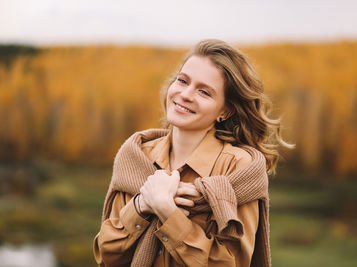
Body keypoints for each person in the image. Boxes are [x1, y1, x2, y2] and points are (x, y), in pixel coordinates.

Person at [93, 39, 292, 267]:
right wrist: (141, 206)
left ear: (225, 111)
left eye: (204, 92)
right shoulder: (137, 156)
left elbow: (232, 263)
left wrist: (167, 212)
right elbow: (106, 254)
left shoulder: (237, 169)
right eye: (182, 81)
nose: (185, 94)